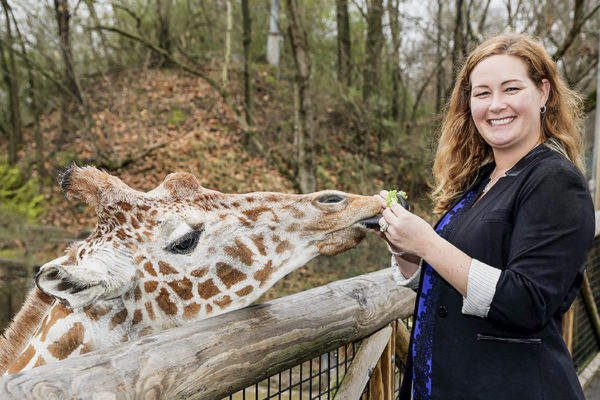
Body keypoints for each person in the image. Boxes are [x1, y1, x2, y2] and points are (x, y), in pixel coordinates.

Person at [376, 33, 595, 400]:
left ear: (543, 92)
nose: (495, 105)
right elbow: (450, 281)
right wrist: (405, 247)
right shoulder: (481, 179)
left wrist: (429, 243)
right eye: (482, 93)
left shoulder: (555, 181)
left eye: (511, 89)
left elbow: (526, 303)